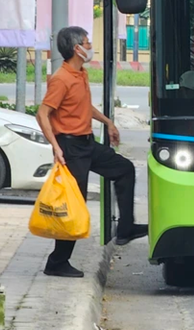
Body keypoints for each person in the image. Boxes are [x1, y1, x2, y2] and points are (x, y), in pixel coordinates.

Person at [36, 27, 147, 278]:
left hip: (86, 143)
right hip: (70, 147)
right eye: (87, 42)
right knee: (74, 203)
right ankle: (57, 262)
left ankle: (126, 228)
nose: (90, 45)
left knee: (124, 169)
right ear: (77, 49)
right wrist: (55, 146)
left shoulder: (80, 74)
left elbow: (84, 107)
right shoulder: (61, 79)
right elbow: (42, 114)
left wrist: (108, 122)